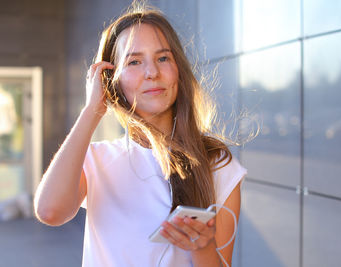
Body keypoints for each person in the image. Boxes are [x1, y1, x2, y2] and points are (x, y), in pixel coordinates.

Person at [34, 4, 246, 267]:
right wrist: (92, 110)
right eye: (134, 61)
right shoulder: (97, 159)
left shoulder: (217, 163)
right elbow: (50, 211)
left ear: (178, 69)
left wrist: (202, 247)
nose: (152, 72)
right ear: (112, 79)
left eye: (163, 58)